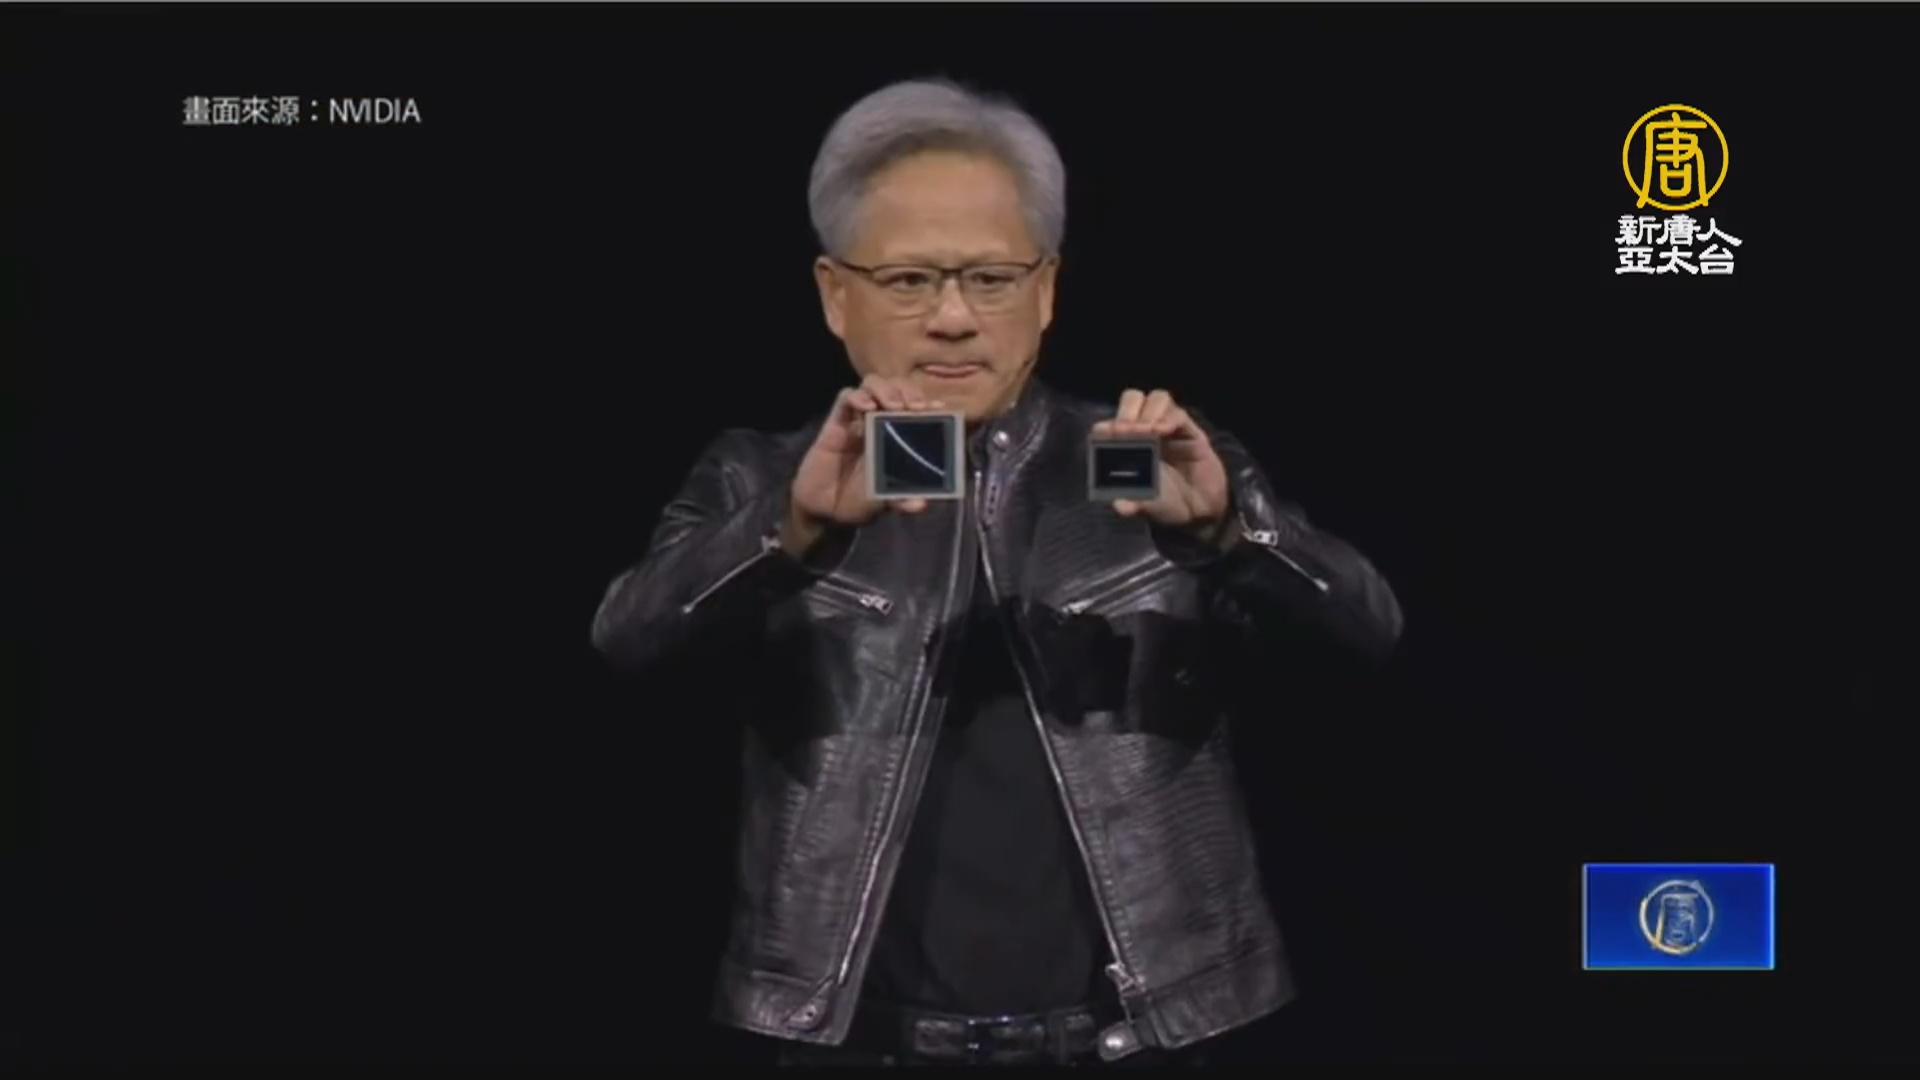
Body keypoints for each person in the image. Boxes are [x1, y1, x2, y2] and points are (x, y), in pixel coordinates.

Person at [590, 78, 1404, 1067]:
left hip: (1148, 1042)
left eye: (991, 278)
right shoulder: (762, 478)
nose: (953, 317)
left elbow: (1370, 638)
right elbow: (628, 646)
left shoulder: (1153, 464)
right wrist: (789, 535)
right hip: (858, 1049)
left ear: (1047, 289)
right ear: (835, 295)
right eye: (908, 281)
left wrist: (1234, 535)